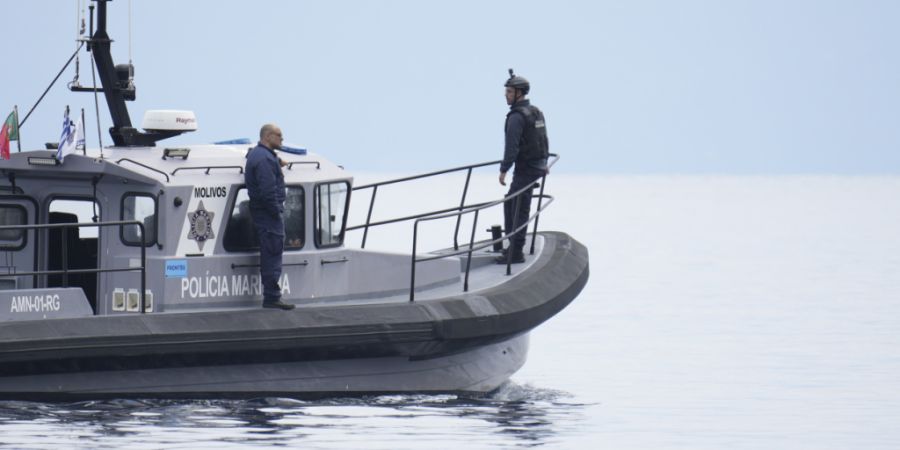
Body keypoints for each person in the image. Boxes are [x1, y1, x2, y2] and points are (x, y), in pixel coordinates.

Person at [497, 69, 549, 264]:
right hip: (536, 167)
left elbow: (512, 146)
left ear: (519, 93)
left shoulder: (516, 117)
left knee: (515, 205)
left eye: (510, 92)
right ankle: (514, 245)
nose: (506, 95)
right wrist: (543, 164)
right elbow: (544, 140)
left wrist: (504, 169)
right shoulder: (535, 112)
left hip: (526, 169)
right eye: (506, 92)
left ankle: (516, 250)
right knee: (517, 202)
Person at [245, 123, 295, 310]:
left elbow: (257, 155)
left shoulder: (259, 155)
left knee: (271, 252)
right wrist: (276, 212)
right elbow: (267, 191)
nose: (282, 139)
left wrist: (277, 160)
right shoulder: (264, 160)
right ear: (267, 137)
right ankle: (272, 297)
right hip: (268, 214)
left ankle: (272, 296)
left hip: (263, 212)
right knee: (272, 253)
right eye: (279, 135)